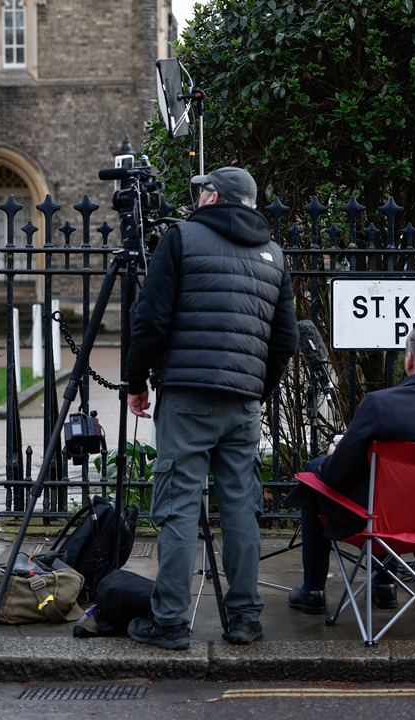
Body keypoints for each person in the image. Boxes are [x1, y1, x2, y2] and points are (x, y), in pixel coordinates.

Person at [124, 166, 298, 649]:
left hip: (188, 396)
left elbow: (151, 319)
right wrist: (256, 391)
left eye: (200, 190)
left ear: (213, 196)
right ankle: (244, 618)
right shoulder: (274, 255)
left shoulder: (181, 239)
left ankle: (170, 622)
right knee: (241, 509)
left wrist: (136, 382)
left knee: (179, 507)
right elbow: (285, 339)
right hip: (244, 401)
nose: (196, 196)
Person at [283, 322, 415, 614]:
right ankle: (384, 583)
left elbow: (336, 478)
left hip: (379, 525)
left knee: (316, 471)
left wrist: (335, 455)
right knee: (387, 490)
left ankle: (314, 591)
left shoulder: (380, 405)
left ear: (409, 360)